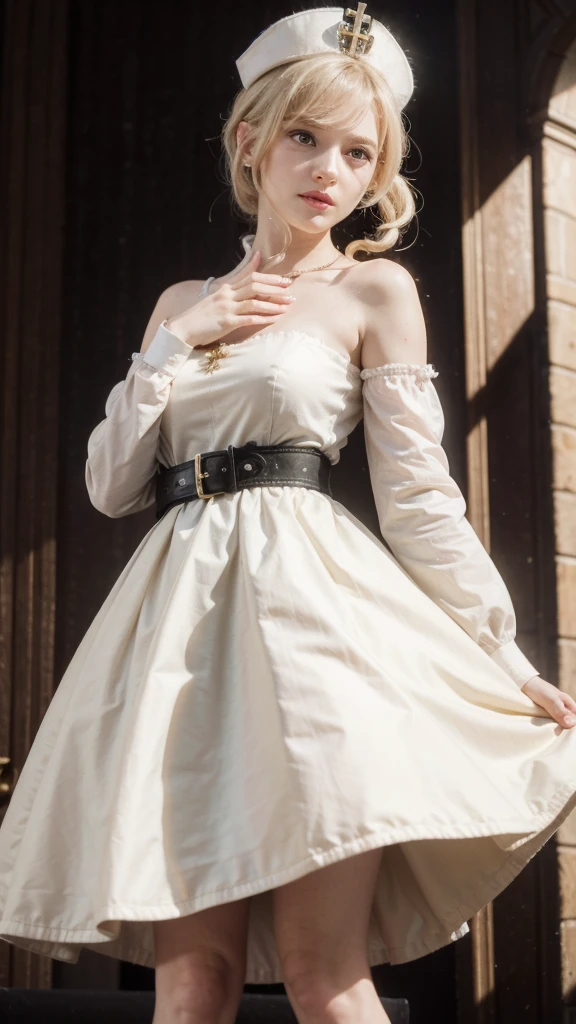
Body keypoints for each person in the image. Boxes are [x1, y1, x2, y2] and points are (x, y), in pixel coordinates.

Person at [1, 5, 575, 1023]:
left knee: (326, 972)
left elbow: (418, 494)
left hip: (313, 632)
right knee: (192, 981)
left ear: (376, 174)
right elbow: (109, 485)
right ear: (249, 139)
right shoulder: (184, 300)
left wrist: (504, 652)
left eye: (358, 152)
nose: (328, 169)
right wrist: (174, 342)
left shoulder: (374, 291)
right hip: (179, 643)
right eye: (306, 136)